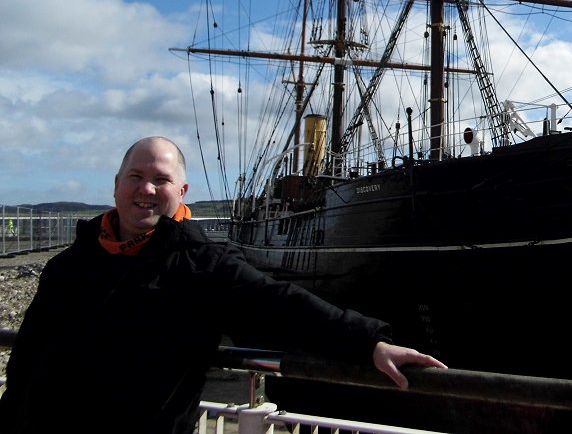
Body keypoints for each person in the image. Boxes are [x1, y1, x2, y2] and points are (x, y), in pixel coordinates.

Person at [0, 136, 446, 434]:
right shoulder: (70, 264)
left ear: (182, 191)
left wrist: (370, 341)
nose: (147, 189)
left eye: (161, 180)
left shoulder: (203, 263)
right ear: (117, 185)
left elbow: (279, 303)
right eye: (136, 177)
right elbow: (27, 359)